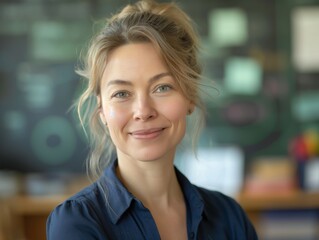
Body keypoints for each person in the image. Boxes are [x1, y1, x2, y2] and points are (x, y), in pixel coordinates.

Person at [46, 0, 258, 239]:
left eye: (162, 88)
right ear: (102, 110)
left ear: (189, 96)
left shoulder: (229, 218)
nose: (143, 111)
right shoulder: (76, 223)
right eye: (122, 94)